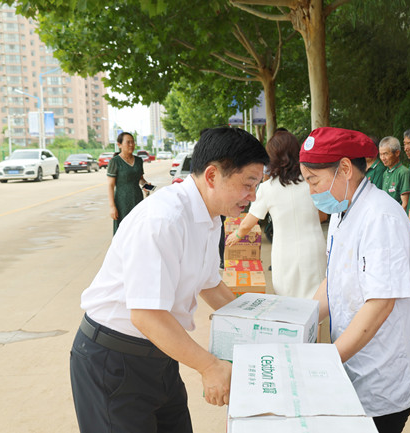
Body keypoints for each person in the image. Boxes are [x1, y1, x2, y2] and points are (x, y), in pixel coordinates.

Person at [70, 127, 269, 433]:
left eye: (257, 186)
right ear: (212, 176)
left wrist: (258, 325)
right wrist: (209, 366)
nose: (253, 196)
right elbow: (146, 315)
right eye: (248, 184)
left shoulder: (209, 216)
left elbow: (209, 284)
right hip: (114, 360)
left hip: (161, 352)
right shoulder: (163, 219)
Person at [299, 127, 410, 433]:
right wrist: (298, 320)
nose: (311, 191)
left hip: (384, 372)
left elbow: (381, 303)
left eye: (314, 181)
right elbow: (334, 280)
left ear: (345, 168)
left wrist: (327, 361)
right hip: (356, 360)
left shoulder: (381, 216)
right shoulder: (342, 211)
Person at [225, 131, 326, 299]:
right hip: (313, 248)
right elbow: (323, 216)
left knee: (287, 299)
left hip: (285, 252)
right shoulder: (312, 182)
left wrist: (236, 235)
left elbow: (248, 223)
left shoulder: (268, 188)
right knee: (316, 300)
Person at [107, 132, 150, 235]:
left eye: (133, 142)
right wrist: (112, 206)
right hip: (122, 201)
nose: (131, 145)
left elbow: (141, 179)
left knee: (138, 229)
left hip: (137, 199)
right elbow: (110, 185)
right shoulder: (115, 162)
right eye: (128, 142)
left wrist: (148, 187)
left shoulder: (139, 160)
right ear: (119, 145)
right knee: (123, 231)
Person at [379, 136, 410, 210]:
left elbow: (405, 203)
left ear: (397, 153)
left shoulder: (403, 172)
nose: (383, 158)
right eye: (381, 154)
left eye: (386, 154)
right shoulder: (385, 173)